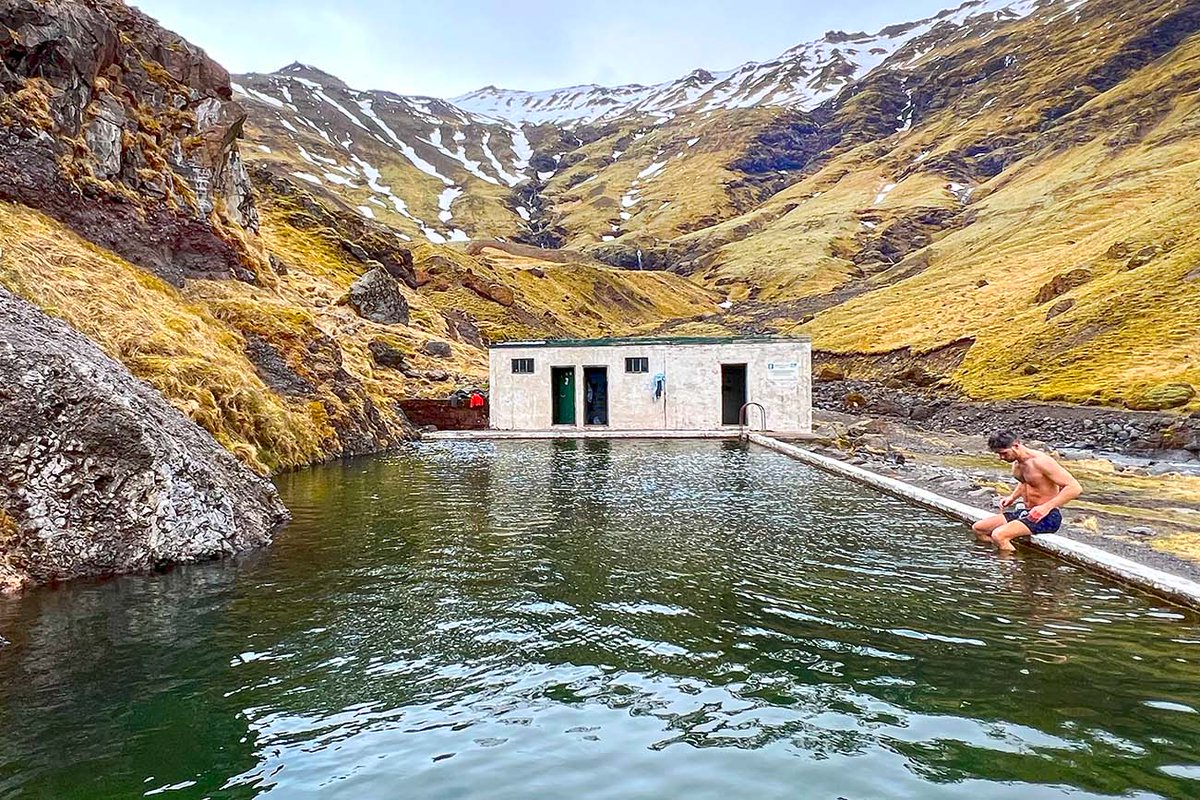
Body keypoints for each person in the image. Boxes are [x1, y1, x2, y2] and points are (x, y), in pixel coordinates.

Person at [972, 430, 1082, 552]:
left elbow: (1074, 487)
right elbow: (1025, 482)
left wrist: (1045, 508)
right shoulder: (1017, 464)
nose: (1001, 458)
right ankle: (1000, 556)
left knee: (999, 535)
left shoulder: (1041, 461)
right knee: (978, 528)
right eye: (999, 454)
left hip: (1047, 516)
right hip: (1026, 513)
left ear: (1016, 445)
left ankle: (1012, 568)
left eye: (1004, 453)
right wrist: (1012, 497)